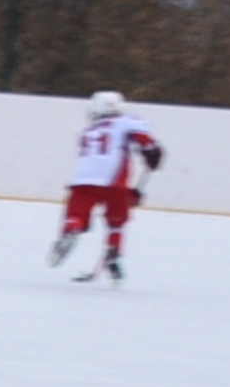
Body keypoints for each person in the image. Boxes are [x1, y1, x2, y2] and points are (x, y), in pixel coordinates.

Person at [49, 87, 164, 279]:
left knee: (77, 213)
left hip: (83, 179)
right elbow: (147, 143)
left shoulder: (88, 131)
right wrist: (153, 154)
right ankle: (113, 251)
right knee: (116, 220)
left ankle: (71, 228)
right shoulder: (128, 121)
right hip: (114, 182)